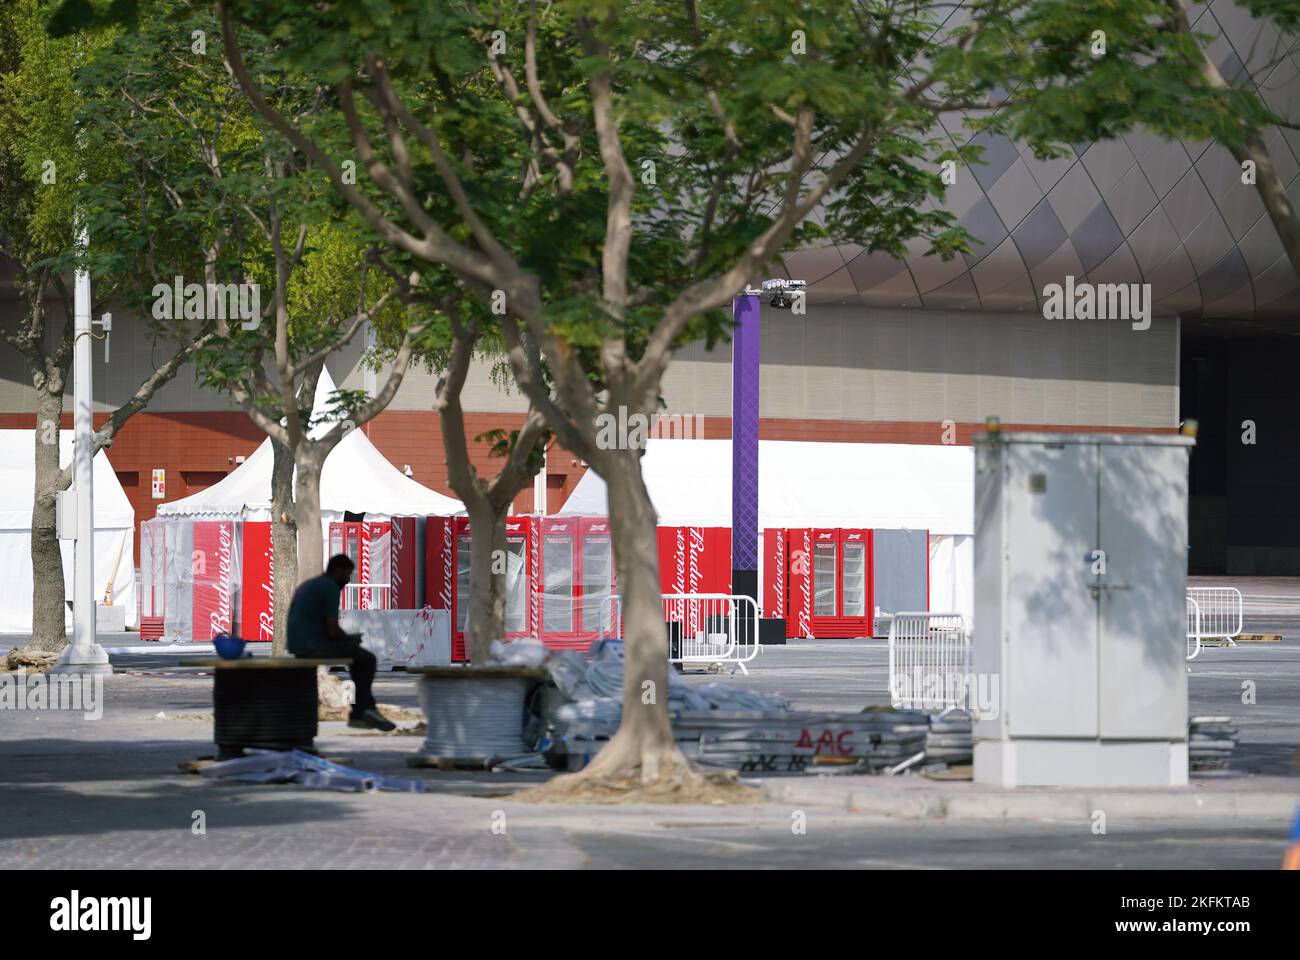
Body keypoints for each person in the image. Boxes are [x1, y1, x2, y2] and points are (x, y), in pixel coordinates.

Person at [287, 554, 395, 732]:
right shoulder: (330, 588)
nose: (348, 581)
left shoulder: (312, 584)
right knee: (367, 659)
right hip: (313, 647)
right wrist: (350, 638)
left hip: (300, 646)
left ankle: (364, 709)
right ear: (338, 571)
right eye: (348, 574)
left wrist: (348, 641)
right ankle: (362, 711)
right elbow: (333, 630)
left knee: (355, 655)